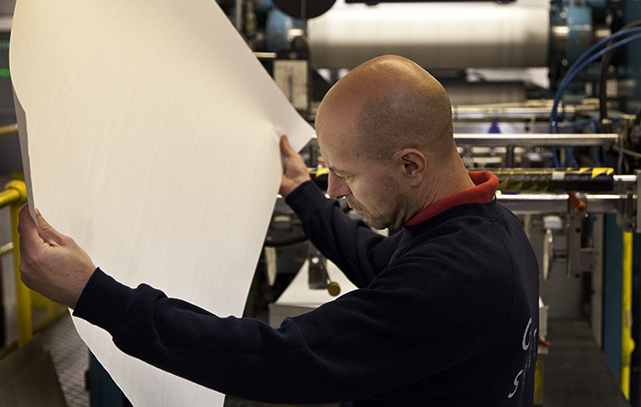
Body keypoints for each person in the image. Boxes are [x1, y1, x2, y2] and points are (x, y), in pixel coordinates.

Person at [19, 55, 539, 406]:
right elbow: (380, 264)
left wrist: (95, 295)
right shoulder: (487, 229)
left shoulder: (453, 279)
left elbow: (283, 356)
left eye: (346, 173)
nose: (334, 188)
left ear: (410, 165)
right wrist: (300, 193)